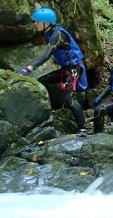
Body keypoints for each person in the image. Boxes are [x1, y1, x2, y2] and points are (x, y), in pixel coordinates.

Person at [17, 7, 88, 136]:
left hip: (73, 68)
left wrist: (29, 68)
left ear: (47, 23)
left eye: (37, 21)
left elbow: (47, 53)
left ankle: (83, 129)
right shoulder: (50, 32)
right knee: (43, 81)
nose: (35, 24)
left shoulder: (57, 34)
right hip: (66, 68)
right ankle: (47, 112)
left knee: (69, 98)